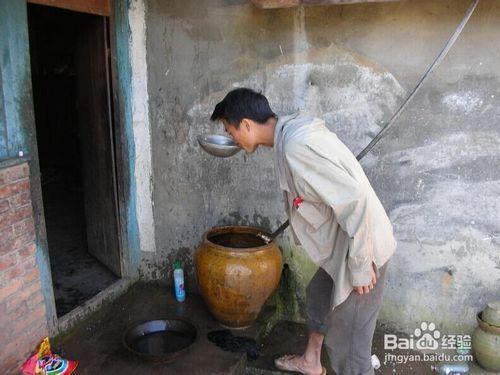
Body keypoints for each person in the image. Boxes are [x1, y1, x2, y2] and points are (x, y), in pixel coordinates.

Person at [210, 87, 397, 375]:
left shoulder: (297, 147)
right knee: (319, 296)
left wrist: (360, 266)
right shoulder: (290, 135)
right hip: (344, 246)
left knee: (347, 349)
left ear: (246, 124)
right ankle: (311, 361)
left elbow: (355, 200)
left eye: (229, 129)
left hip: (363, 250)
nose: (231, 137)